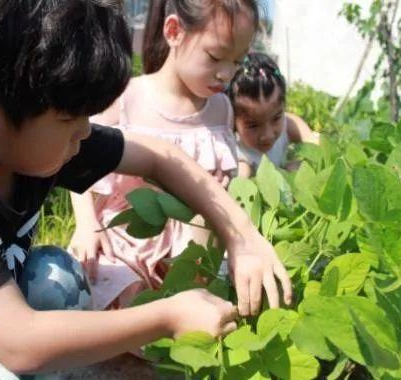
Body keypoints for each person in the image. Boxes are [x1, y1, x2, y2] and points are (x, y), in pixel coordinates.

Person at [0, 0, 291, 378]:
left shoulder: (28, 135)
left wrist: (242, 238)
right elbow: (20, 342)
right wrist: (168, 316)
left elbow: (159, 156)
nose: (86, 133)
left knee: (58, 276)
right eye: (70, 120)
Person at [70, 0, 260, 311]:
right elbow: (78, 157)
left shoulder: (222, 109)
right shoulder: (129, 97)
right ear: (174, 31)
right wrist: (86, 223)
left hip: (192, 253)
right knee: (113, 294)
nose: (226, 74)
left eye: (238, 62)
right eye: (215, 57)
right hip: (126, 242)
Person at [227, 52, 320, 177]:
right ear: (233, 121)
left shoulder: (289, 125)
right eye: (253, 125)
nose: (267, 135)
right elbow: (240, 189)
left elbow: (311, 140)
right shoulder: (241, 157)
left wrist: (301, 162)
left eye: (276, 118)